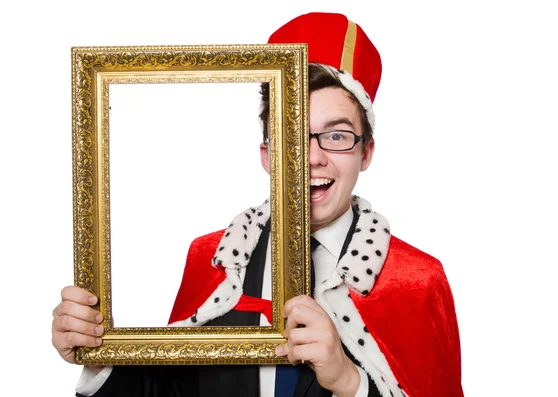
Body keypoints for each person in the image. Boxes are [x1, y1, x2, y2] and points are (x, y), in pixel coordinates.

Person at [52, 12, 464, 397]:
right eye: (293, 134)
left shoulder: (417, 281)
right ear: (267, 154)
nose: (312, 157)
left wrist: (349, 381)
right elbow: (168, 391)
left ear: (366, 153)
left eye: (336, 136)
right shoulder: (211, 260)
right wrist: (97, 354)